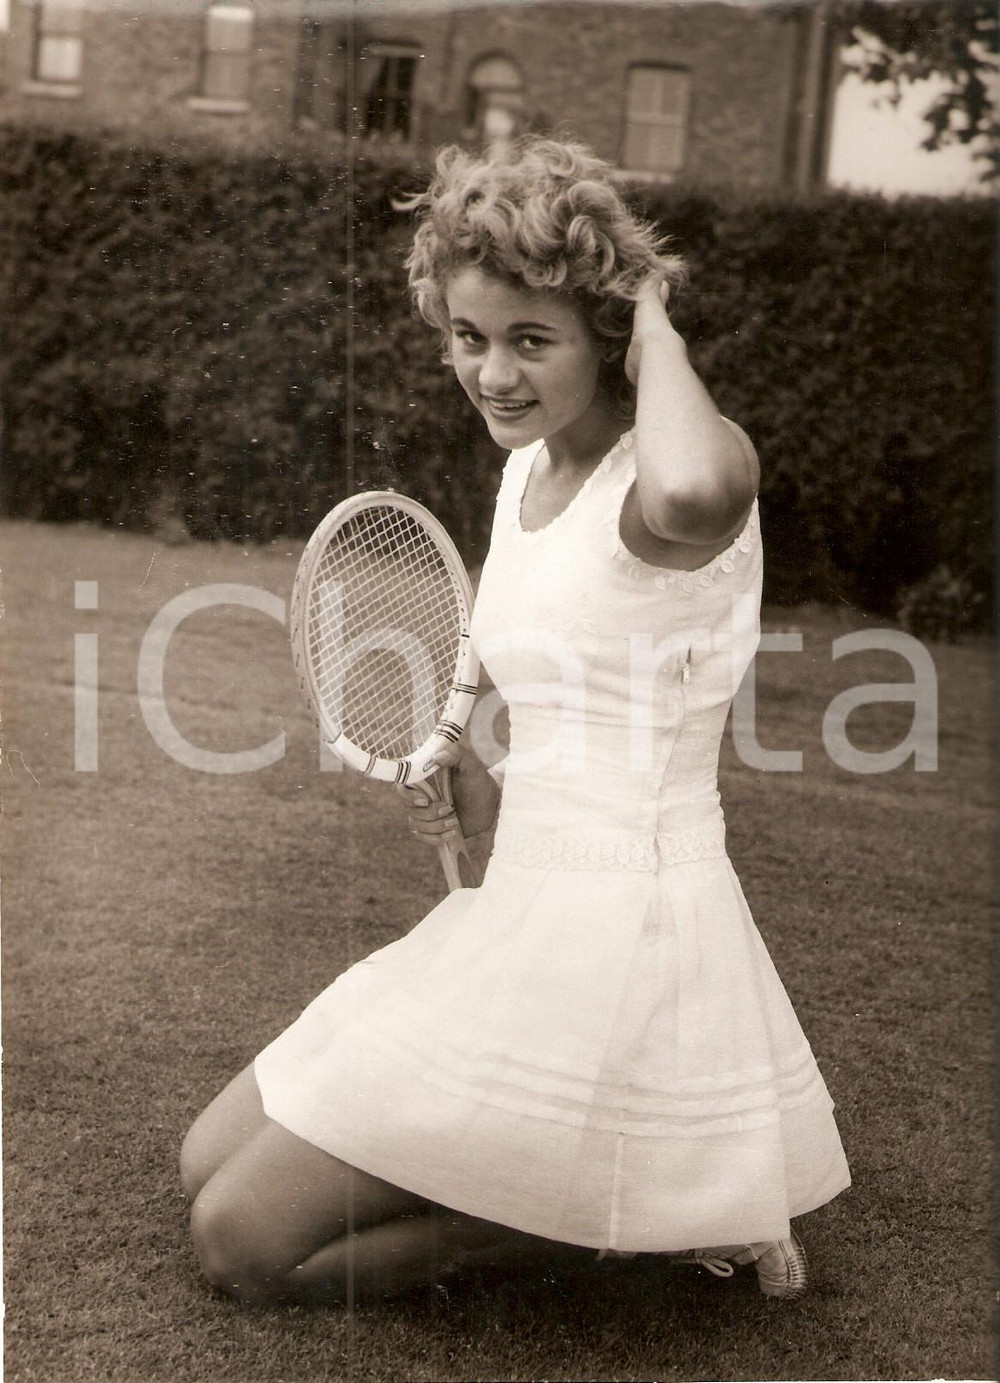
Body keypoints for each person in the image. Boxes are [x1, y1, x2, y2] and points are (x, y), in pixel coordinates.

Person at [180, 136, 850, 1307]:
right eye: (468, 336)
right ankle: (592, 1191)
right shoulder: (524, 473)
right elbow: (548, 683)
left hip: (622, 940)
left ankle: (585, 1232)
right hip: (519, 911)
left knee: (238, 1242)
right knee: (201, 1162)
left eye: (532, 339)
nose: (492, 372)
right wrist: (476, 772)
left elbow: (698, 494)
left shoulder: (670, 486)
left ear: (605, 339)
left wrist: (656, 323)